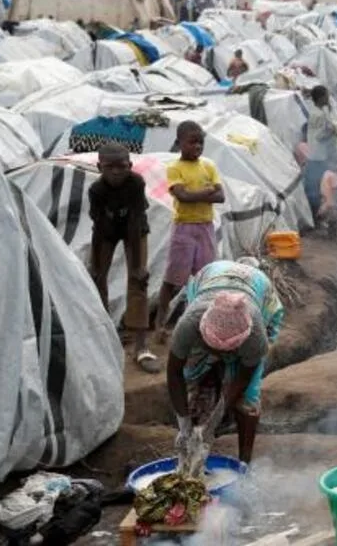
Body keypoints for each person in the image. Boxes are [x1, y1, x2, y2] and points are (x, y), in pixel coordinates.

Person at [167, 259, 284, 464]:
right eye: (214, 347)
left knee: (248, 399)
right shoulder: (190, 322)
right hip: (210, 276)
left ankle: (244, 464)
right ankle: (191, 443)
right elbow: (174, 372)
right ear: (202, 331)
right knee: (193, 377)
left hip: (257, 288)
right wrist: (184, 424)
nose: (221, 353)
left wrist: (216, 420)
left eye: (229, 349)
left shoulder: (256, 335)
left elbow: (244, 379)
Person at [88, 143, 157, 372]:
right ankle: (104, 339)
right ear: (99, 167)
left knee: (138, 282)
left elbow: (135, 220)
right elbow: (97, 227)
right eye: (110, 167)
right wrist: (97, 264)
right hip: (106, 231)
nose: (116, 172)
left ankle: (141, 346)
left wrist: (138, 265)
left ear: (130, 165)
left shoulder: (135, 183)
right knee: (97, 281)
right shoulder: (96, 191)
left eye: (122, 166)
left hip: (135, 231)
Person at [156, 121, 224, 339]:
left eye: (200, 142)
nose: (197, 147)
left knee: (206, 275)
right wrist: (206, 193)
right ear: (179, 143)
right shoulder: (175, 168)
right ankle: (160, 324)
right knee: (173, 278)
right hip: (184, 228)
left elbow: (221, 196)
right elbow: (182, 197)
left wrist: (195, 195)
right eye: (192, 142)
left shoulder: (208, 166)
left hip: (205, 227)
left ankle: (204, 321)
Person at [302, 85, 337, 217]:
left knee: (315, 185)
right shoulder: (319, 115)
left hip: (314, 155)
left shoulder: (315, 111)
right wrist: (332, 131)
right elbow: (320, 135)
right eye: (326, 96)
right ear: (321, 98)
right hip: (318, 156)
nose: (328, 98)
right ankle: (317, 215)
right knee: (319, 187)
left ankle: (316, 213)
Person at [318, 161, 337, 241]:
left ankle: (329, 236)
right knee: (334, 219)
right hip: (331, 201)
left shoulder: (326, 173)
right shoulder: (333, 175)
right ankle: (332, 238)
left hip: (324, 199)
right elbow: (335, 189)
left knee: (329, 218)